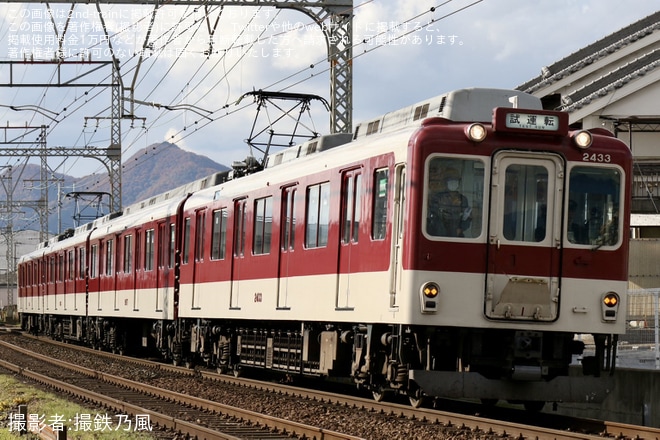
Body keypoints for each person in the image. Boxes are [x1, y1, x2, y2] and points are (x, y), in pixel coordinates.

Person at [428, 168, 472, 237]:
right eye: (450, 181)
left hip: (457, 235)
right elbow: (433, 215)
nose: (453, 183)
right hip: (439, 234)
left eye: (456, 181)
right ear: (446, 183)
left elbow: (467, 217)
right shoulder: (437, 198)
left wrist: (461, 229)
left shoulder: (463, 199)